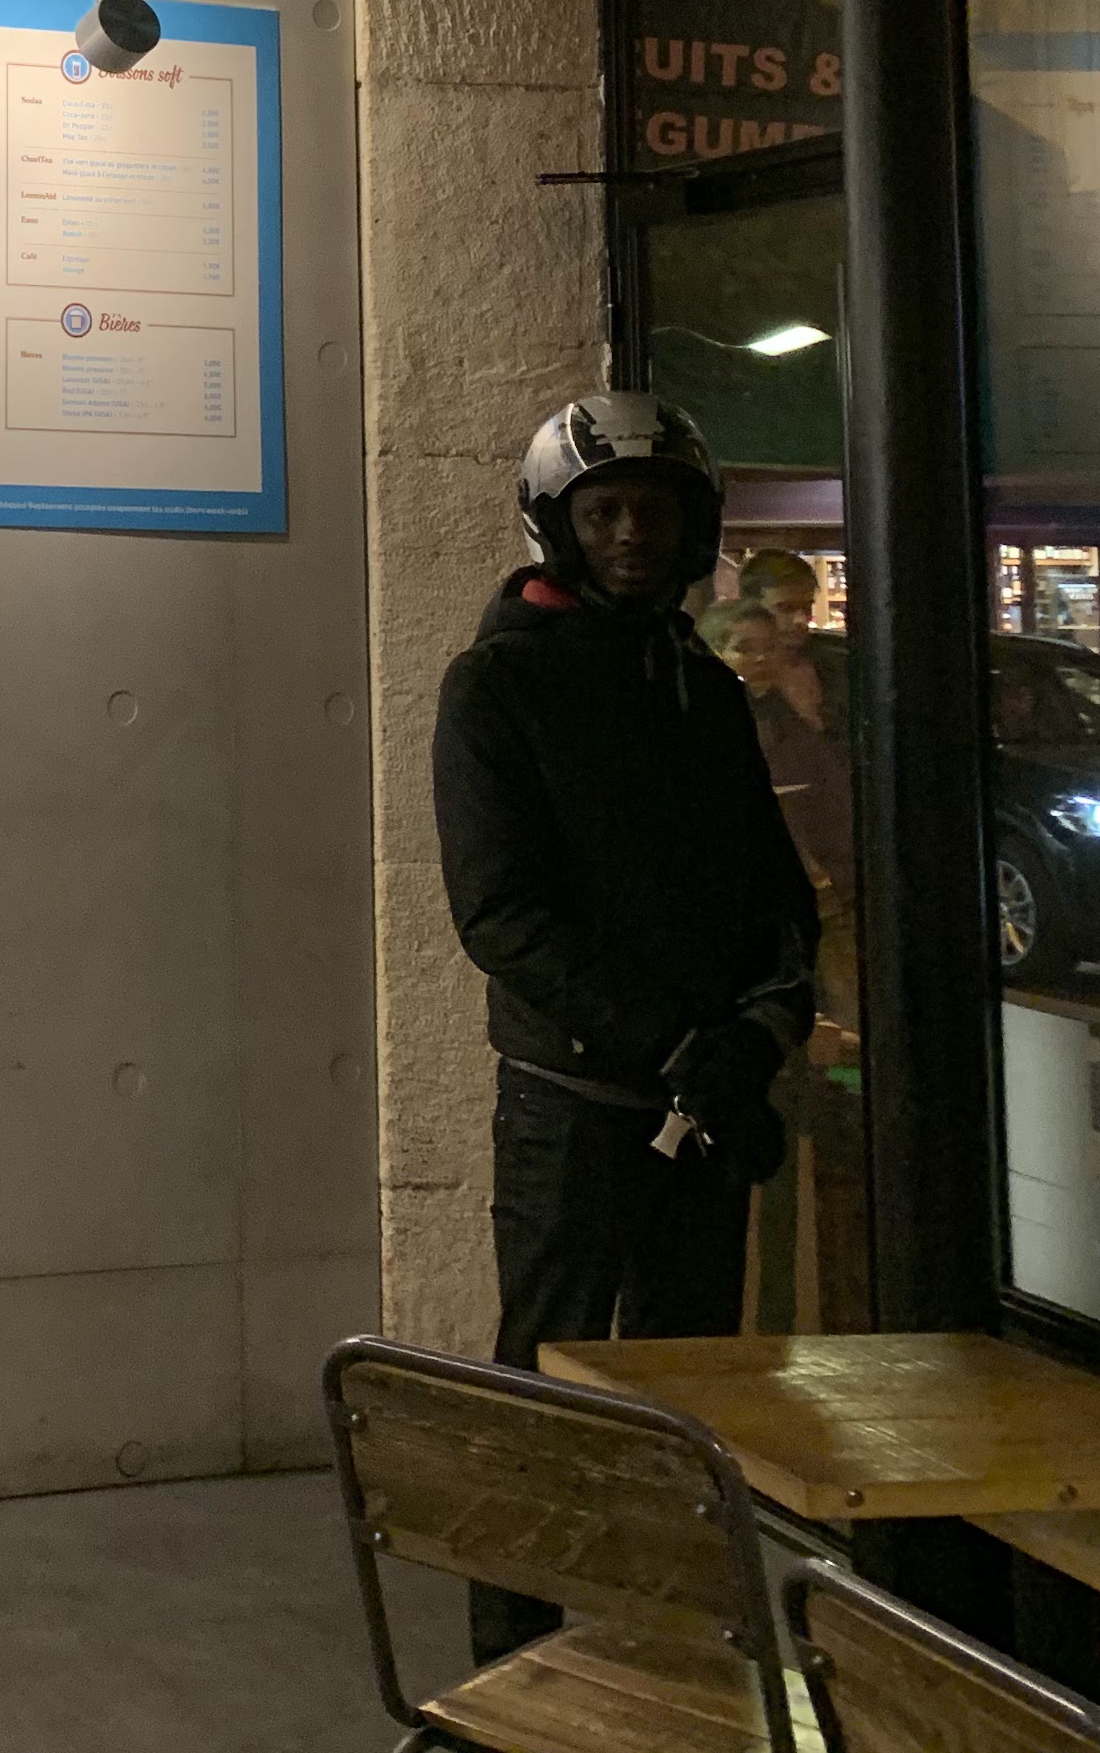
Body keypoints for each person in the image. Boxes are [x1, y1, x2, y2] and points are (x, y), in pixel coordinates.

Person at [436, 390, 820, 1657]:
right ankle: (510, 1678)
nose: (632, 535)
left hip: (704, 1111)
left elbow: (775, 896)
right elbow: (501, 916)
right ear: (560, 526)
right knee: (540, 1400)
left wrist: (758, 1037)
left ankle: (664, 1652)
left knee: (690, 1407)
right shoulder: (497, 686)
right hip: (576, 1112)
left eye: (653, 510)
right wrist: (674, 1043)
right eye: (603, 512)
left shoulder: (701, 687)